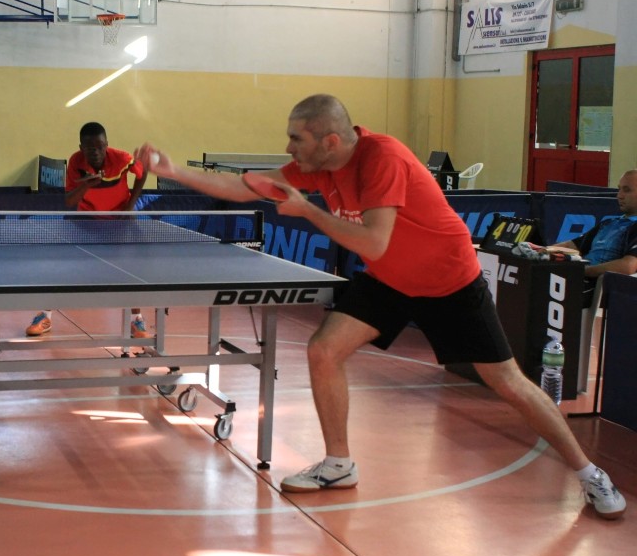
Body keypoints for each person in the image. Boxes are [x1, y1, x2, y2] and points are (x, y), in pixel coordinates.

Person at [136, 94, 627, 520]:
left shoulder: (380, 158)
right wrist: (172, 170)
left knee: (508, 383)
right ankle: (339, 464)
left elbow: (372, 241)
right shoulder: (319, 166)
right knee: (324, 350)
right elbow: (247, 186)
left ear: (329, 141)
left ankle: (589, 472)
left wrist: (307, 210)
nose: (288, 148)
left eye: (296, 138)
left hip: (449, 280)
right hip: (393, 278)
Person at [26, 121, 151, 339]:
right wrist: (86, 185)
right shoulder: (76, 162)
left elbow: (142, 172)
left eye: (100, 146)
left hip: (117, 221)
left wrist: (130, 206)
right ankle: (45, 316)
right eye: (90, 147)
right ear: (81, 147)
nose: (96, 151)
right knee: (60, 269)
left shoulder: (121, 159)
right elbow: (68, 200)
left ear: (107, 145)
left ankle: (136, 320)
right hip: (84, 220)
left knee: (128, 271)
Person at [551, 169, 637, 284]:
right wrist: (543, 251)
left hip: (601, 290)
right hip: (579, 281)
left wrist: (583, 271)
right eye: (619, 189)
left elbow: (628, 266)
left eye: (627, 190)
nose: (619, 195)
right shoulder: (608, 223)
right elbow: (572, 246)